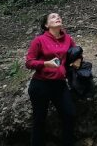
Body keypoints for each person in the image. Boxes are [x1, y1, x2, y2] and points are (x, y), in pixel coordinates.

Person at [25, 13, 77, 146]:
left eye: (59, 16)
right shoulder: (39, 40)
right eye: (53, 17)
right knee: (39, 120)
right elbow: (29, 62)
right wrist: (45, 64)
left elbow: (76, 54)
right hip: (40, 85)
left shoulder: (68, 39)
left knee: (69, 115)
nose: (57, 18)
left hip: (59, 84)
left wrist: (78, 61)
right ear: (46, 25)